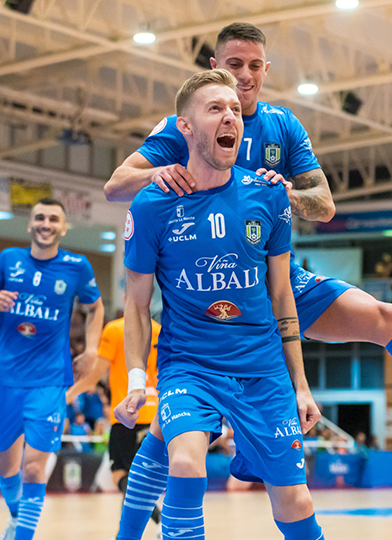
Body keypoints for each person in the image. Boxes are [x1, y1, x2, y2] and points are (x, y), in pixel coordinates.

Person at [105, 23, 392, 538]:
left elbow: (325, 204)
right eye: (233, 64)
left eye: (254, 65)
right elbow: (117, 185)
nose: (244, 76)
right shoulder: (184, 124)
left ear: (266, 70)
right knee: (171, 445)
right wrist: (160, 174)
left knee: (387, 317)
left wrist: (283, 193)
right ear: (213, 66)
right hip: (206, 311)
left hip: (275, 283)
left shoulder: (282, 127)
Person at [116, 68, 325, 540]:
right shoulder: (152, 204)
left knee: (296, 501)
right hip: (188, 365)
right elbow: (136, 304)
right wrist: (135, 380)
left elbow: (281, 296)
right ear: (184, 128)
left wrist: (301, 384)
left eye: (234, 109)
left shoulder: (269, 193)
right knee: (187, 464)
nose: (231, 116)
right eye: (216, 109)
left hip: (262, 368)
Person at [0, 197, 104, 540]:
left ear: (63, 228)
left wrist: (91, 350)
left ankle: (23, 535)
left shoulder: (77, 266)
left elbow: (96, 308)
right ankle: (18, 518)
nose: (45, 224)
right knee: (6, 469)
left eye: (53, 219)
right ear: (30, 224)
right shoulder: (9, 260)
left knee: (33, 467)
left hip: (49, 381)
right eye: (39, 218)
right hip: (5, 380)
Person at [67, 311, 163, 534]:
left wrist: (69, 395)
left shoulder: (116, 329)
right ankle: (127, 533)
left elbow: (94, 375)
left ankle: (160, 520)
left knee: (121, 474)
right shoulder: (159, 330)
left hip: (127, 412)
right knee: (139, 478)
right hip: (156, 414)